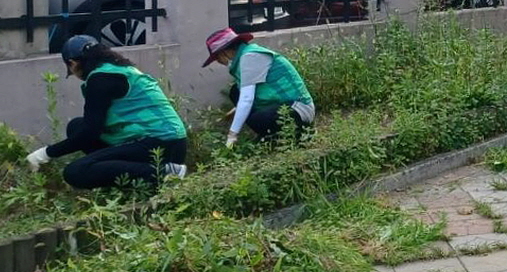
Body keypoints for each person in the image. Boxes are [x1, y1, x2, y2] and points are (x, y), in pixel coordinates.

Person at [25, 36, 188, 189]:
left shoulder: (100, 79)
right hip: (170, 142)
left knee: (75, 172)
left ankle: (164, 173)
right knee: (76, 126)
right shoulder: (118, 69)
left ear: (73, 63)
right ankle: (126, 174)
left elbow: (90, 133)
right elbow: (89, 128)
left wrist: (44, 154)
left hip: (160, 144)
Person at [202, 28, 315, 148]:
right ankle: (271, 135)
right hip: (279, 105)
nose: (219, 61)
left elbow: (247, 99)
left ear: (225, 51)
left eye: (217, 57)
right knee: (236, 91)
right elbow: (251, 91)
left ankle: (295, 135)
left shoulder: (250, 57)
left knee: (259, 119)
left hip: (297, 108)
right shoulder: (246, 56)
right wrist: (237, 109)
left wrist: (232, 135)